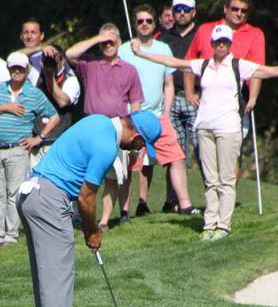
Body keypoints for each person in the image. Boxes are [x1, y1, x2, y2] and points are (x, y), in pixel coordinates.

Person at [131, 25, 278, 239]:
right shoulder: (203, 65)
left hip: (228, 129)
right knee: (210, 180)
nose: (221, 45)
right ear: (212, 44)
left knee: (226, 179)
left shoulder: (238, 65)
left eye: (225, 42)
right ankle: (209, 224)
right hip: (204, 128)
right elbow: (174, 62)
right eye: (218, 42)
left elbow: (270, 71)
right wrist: (141, 53)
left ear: (230, 44)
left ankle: (224, 225)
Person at [17, 110, 162, 307]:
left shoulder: (97, 121)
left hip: (34, 195)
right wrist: (92, 232)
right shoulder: (107, 145)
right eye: (141, 145)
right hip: (49, 199)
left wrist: (83, 224)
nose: (137, 150)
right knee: (58, 280)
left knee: (48, 281)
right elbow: (86, 198)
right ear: (137, 135)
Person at [119, 3, 200, 217]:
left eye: (148, 21)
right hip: (131, 117)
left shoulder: (163, 48)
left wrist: (167, 111)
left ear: (154, 23)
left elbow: (169, 84)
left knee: (176, 157)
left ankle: (185, 204)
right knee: (129, 164)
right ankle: (126, 210)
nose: (144, 24)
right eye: (140, 21)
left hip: (157, 116)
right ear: (135, 24)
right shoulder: (124, 50)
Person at [66, 23, 145, 232]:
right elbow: (69, 53)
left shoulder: (130, 70)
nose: (107, 45)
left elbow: (136, 105)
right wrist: (96, 38)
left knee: (112, 176)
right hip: (91, 126)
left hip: (117, 129)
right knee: (85, 175)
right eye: (104, 42)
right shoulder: (89, 64)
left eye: (111, 41)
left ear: (119, 42)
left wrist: (135, 137)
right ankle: (82, 216)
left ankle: (103, 221)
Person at [184, 0, 265, 181]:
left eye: (243, 10)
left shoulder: (255, 34)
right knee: (208, 155)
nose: (239, 13)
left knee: (231, 153)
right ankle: (215, 197)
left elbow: (257, 71)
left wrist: (252, 98)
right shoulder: (206, 30)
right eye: (234, 9)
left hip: (235, 98)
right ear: (225, 9)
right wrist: (189, 92)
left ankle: (226, 199)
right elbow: (189, 62)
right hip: (207, 98)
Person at [0, 52, 58, 248]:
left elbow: (54, 116)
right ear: (9, 69)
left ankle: (10, 236)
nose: (17, 71)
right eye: (14, 68)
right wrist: (6, 107)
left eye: (21, 68)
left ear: (27, 69)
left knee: (13, 194)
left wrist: (39, 138)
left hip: (18, 150)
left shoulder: (34, 94)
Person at [157, 0, 200, 213]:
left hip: (197, 98)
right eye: (177, 10)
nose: (181, 14)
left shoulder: (202, 35)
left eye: (185, 10)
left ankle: (214, 196)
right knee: (175, 153)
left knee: (202, 149)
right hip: (171, 99)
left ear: (193, 12)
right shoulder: (164, 39)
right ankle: (175, 201)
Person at [31, 44, 81, 166]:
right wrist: (40, 48)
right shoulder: (36, 77)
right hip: (37, 144)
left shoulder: (71, 80)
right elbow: (17, 58)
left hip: (58, 143)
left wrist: (49, 77)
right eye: (46, 59)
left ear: (62, 60)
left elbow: (63, 102)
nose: (50, 62)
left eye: (54, 58)